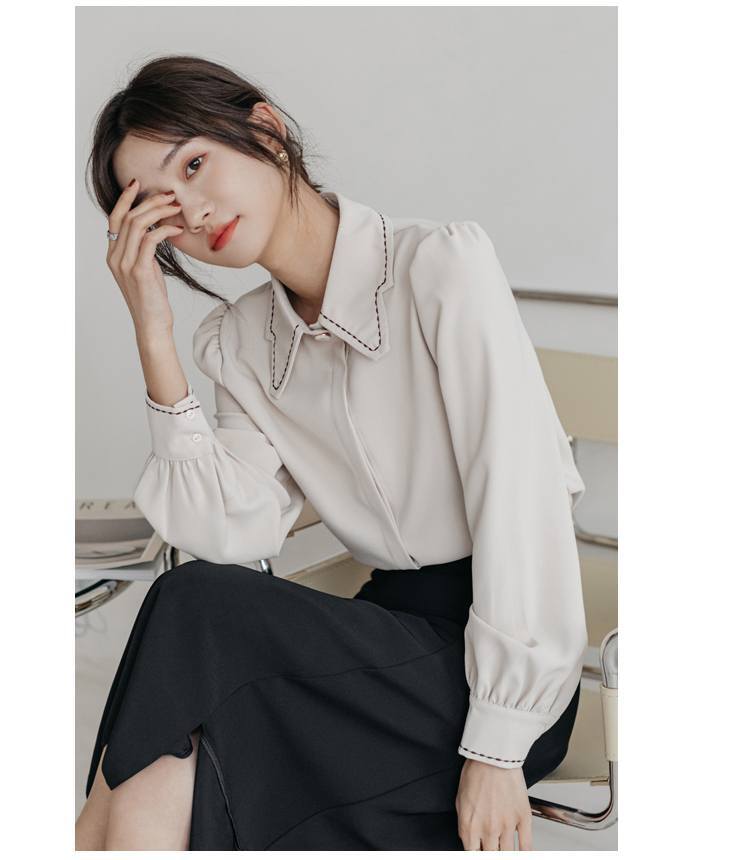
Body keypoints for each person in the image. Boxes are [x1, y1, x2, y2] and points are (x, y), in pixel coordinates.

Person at [76, 55, 587, 851]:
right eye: (160, 207)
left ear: (266, 129)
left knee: (192, 609)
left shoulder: (438, 268)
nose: (195, 211)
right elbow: (229, 532)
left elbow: (521, 506)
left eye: (195, 164)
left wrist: (496, 751)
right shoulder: (241, 342)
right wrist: (152, 329)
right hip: (376, 644)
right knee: (189, 726)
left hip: (497, 674)